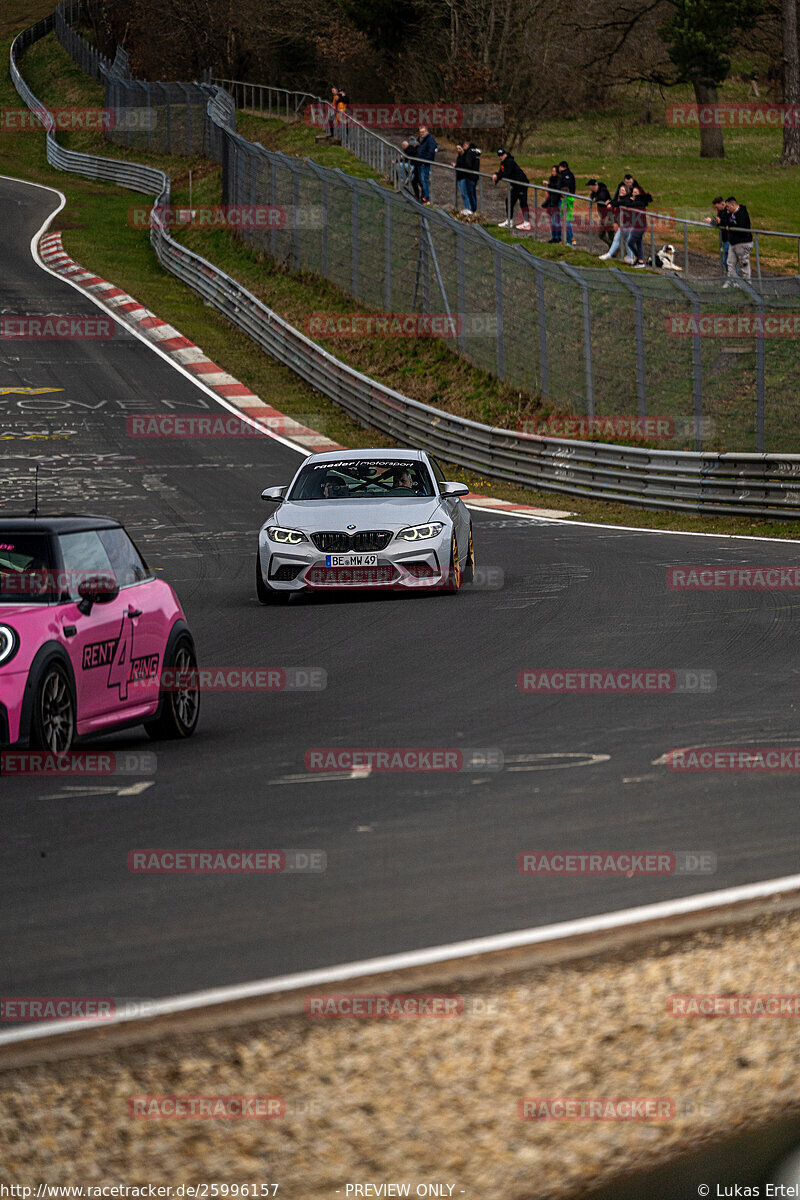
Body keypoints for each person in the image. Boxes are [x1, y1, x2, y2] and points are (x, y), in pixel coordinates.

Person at [493, 148, 531, 230]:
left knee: (523, 202)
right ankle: (509, 221)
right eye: (499, 155)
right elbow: (501, 172)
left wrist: (498, 176)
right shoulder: (503, 163)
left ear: (505, 154)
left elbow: (507, 173)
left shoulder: (509, 161)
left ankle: (527, 223)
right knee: (509, 201)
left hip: (521, 183)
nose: (501, 157)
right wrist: (496, 175)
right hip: (515, 185)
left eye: (502, 155)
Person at [599, 184, 631, 260]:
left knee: (625, 241)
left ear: (626, 192)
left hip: (628, 224)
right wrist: (610, 202)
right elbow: (615, 202)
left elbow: (619, 203)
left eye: (623, 190)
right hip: (623, 224)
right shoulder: (619, 199)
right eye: (620, 190)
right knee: (624, 241)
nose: (621, 191)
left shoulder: (626, 199)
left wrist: (611, 203)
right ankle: (631, 257)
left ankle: (633, 258)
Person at [725, 196, 753, 281]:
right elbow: (727, 221)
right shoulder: (731, 213)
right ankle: (732, 282)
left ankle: (747, 285)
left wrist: (730, 226)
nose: (727, 209)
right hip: (733, 242)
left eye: (728, 207)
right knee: (730, 263)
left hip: (743, 243)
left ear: (733, 205)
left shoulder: (742, 213)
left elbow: (741, 226)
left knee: (743, 265)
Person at [626, 185, 653, 267]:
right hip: (636, 225)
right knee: (638, 243)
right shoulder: (635, 201)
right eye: (633, 192)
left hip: (640, 226)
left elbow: (630, 206)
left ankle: (640, 259)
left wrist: (631, 202)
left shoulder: (640, 202)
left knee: (630, 242)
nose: (634, 194)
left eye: (636, 192)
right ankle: (639, 261)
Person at [704, 196, 730, 275]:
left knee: (729, 261)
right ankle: (732, 278)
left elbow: (728, 223)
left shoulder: (729, 211)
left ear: (722, 204)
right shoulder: (720, 212)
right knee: (726, 261)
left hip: (730, 239)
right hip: (725, 239)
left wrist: (718, 221)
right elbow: (718, 224)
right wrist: (711, 222)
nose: (716, 209)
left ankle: (735, 280)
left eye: (717, 207)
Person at [454, 139, 480, 214]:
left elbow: (468, 165)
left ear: (466, 145)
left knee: (469, 193)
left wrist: (457, 165)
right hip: (472, 176)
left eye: (462, 146)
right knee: (471, 193)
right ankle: (472, 209)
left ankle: (471, 209)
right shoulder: (475, 152)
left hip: (469, 176)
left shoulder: (469, 153)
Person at [587, 178, 613, 246]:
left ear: (592, 186)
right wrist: (594, 198)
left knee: (609, 233)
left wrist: (596, 198)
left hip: (609, 215)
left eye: (589, 186)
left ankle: (613, 249)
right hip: (603, 216)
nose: (589, 188)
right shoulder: (595, 192)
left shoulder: (603, 190)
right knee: (602, 235)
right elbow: (592, 196)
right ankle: (613, 247)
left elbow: (602, 196)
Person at [415, 125, 438, 204]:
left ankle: (426, 198)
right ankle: (423, 196)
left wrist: (424, 161)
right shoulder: (423, 140)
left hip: (424, 164)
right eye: (420, 132)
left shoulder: (430, 140)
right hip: (420, 163)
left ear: (427, 131)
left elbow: (431, 152)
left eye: (423, 132)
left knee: (424, 180)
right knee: (421, 181)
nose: (421, 134)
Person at [557, 160, 576, 245]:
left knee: (566, 220)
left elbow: (567, 187)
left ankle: (569, 240)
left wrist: (563, 194)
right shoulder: (567, 174)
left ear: (562, 167)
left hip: (567, 199)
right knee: (565, 219)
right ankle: (570, 238)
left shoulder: (566, 175)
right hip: (567, 199)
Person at [541, 165, 561, 242]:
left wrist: (548, 184)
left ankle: (557, 237)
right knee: (553, 220)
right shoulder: (551, 179)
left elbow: (557, 188)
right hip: (551, 201)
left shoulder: (559, 180)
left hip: (556, 201)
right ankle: (554, 237)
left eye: (554, 171)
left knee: (556, 220)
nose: (552, 172)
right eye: (552, 171)